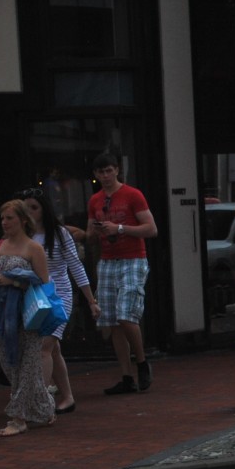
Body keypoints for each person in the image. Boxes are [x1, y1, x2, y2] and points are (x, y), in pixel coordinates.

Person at [0, 200, 54, 435]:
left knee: (27, 366)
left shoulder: (33, 248)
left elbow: (44, 281)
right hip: (4, 315)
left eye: (9, 218)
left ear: (22, 220)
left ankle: (18, 418)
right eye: (2, 218)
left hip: (28, 315)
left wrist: (15, 281)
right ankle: (45, 408)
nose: (4, 222)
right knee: (9, 364)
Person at [18, 187, 99, 414]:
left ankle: (39, 401)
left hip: (59, 296)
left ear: (44, 209)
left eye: (34, 207)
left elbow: (76, 267)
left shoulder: (60, 234)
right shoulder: (23, 235)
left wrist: (91, 300)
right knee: (53, 350)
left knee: (45, 346)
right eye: (26, 208)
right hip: (35, 297)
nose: (30, 212)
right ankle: (67, 397)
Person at [86, 152, 157, 395]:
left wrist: (119, 228)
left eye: (108, 170)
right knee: (112, 321)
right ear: (95, 175)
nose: (105, 176)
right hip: (107, 260)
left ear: (117, 170)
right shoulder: (95, 200)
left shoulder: (132, 195)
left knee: (126, 314)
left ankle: (142, 362)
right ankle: (126, 376)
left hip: (132, 258)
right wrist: (94, 232)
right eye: (100, 172)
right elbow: (90, 234)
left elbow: (151, 229)